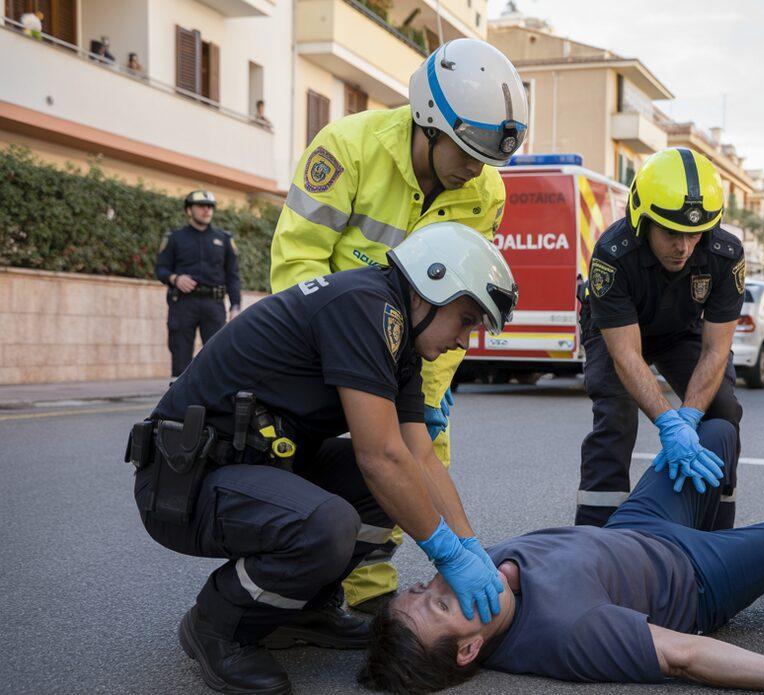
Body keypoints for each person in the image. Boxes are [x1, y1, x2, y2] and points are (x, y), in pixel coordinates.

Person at [127, 223, 519, 695]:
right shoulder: (364, 307)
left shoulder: (399, 339)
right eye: (467, 319)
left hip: (252, 468)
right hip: (186, 481)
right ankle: (218, 624)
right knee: (330, 520)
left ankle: (304, 607)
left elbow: (418, 457)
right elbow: (380, 456)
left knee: (390, 488)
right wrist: (446, 552)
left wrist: (469, 545)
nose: (465, 340)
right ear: (435, 285)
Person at [358, 418, 764, 694]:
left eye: (421, 589)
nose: (438, 585)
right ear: (468, 651)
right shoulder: (567, 632)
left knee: (710, 435)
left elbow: (413, 467)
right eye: (441, 607)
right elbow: (681, 654)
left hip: (637, 527)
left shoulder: (477, 581)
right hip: (694, 578)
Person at [269, 37, 527, 611]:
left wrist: (427, 395)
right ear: (428, 123)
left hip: (405, 360)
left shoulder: (485, 193)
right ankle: (295, 596)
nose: (475, 170)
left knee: (416, 462)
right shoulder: (347, 149)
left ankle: (365, 594)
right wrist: (340, 372)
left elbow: (460, 303)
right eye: (464, 151)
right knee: (338, 467)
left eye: (487, 158)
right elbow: (297, 265)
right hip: (325, 351)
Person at [576, 147, 746, 528]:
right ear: (642, 220)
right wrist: (669, 423)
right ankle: (593, 534)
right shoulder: (612, 254)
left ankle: (713, 528)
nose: (684, 247)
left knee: (722, 410)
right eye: (671, 233)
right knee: (616, 419)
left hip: (679, 330)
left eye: (694, 234)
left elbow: (716, 349)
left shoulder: (725, 254)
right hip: (616, 333)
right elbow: (626, 356)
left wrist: (688, 416)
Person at [154, 190, 241, 378]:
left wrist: (235, 306)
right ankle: (178, 404)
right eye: (201, 206)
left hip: (214, 305)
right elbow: (161, 270)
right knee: (180, 358)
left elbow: (233, 275)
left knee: (217, 356)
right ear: (189, 210)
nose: (206, 210)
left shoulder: (224, 239)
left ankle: (214, 404)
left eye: (210, 206)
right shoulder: (175, 238)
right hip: (183, 304)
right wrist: (175, 279)